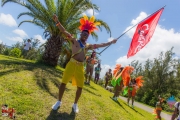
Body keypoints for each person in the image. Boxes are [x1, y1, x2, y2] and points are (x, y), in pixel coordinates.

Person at [51, 14, 117, 113]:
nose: (85, 35)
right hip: (71, 64)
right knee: (63, 83)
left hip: (80, 67)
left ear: (87, 37)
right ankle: (59, 101)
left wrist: (110, 42)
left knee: (80, 87)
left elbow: (100, 44)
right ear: (81, 34)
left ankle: (75, 104)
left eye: (87, 35)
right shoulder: (74, 41)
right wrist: (57, 22)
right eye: (84, 34)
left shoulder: (88, 46)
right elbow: (64, 31)